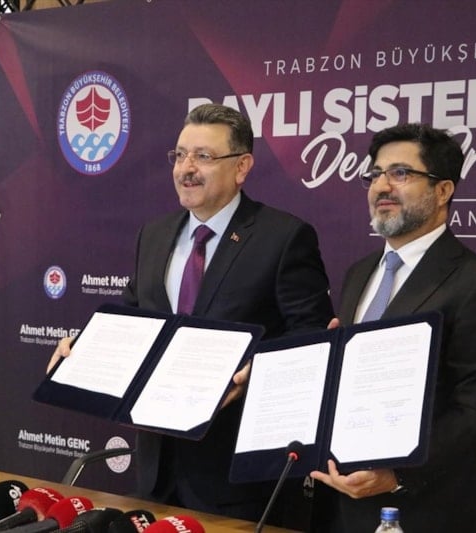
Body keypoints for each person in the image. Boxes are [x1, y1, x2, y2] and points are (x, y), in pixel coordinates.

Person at [49, 103, 333, 523]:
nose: (186, 169)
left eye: (203, 156)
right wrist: (84, 348)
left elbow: (312, 339)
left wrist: (258, 370)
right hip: (156, 472)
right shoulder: (154, 234)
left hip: (238, 480)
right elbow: (131, 318)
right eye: (180, 155)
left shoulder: (284, 237)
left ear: (242, 167)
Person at [309, 123, 476, 532]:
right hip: (342, 500)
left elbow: (475, 413)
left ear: (443, 191)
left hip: (427, 509)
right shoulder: (359, 273)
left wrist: (398, 475)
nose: (382, 186)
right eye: (375, 174)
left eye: (401, 173)